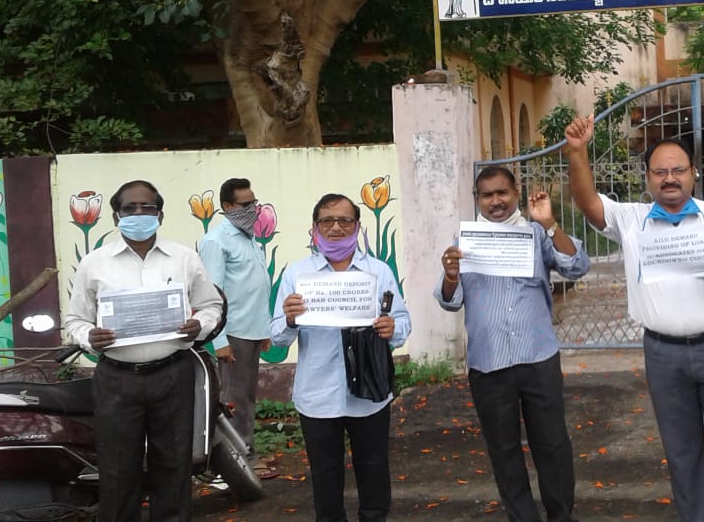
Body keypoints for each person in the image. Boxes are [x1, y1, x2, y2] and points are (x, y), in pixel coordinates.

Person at [564, 115, 704, 522]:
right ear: (649, 178)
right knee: (682, 455)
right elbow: (587, 201)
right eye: (660, 172)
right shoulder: (633, 220)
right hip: (663, 353)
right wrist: (578, 151)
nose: (670, 178)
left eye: (678, 170)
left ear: (693, 173)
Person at [63, 180, 225, 522]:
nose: (138, 213)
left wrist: (201, 326)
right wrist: (89, 337)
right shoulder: (95, 264)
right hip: (117, 379)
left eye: (147, 208)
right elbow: (75, 319)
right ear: (116, 216)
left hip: (172, 374)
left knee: (174, 466)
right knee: (118, 472)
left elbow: (211, 305)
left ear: (160, 214)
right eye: (130, 208)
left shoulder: (185, 258)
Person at [436, 166, 590, 522]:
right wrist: (449, 275)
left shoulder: (536, 234)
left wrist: (550, 223)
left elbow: (576, 266)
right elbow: (449, 300)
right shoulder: (465, 239)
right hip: (488, 364)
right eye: (487, 195)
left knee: (552, 445)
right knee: (503, 451)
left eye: (502, 193)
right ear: (478, 199)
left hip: (538, 358)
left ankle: (561, 515)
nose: (495, 201)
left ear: (515, 193)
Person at [271, 193, 412, 522]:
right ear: (315, 228)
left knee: (374, 470)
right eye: (327, 221)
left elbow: (403, 323)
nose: (336, 227)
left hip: (369, 392)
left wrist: (392, 327)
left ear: (357, 226)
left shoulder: (377, 272)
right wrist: (290, 319)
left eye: (345, 220)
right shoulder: (297, 275)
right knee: (325, 477)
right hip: (318, 394)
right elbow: (277, 334)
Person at [198, 177, 274, 477]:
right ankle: (236, 463)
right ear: (227, 206)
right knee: (233, 399)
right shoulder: (215, 241)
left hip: (252, 330)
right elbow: (213, 295)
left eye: (254, 202)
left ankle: (246, 454)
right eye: (246, 204)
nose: (253, 209)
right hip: (233, 333)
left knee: (246, 397)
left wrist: (265, 329)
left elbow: (255, 287)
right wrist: (220, 342)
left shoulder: (249, 238)